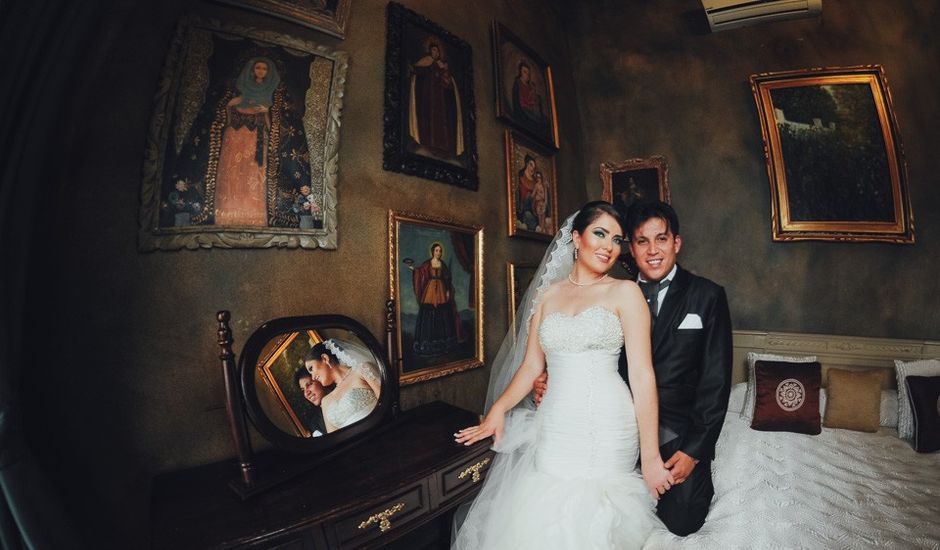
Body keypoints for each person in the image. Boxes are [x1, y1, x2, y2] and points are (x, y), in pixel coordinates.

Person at [452, 201, 673, 549]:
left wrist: (651, 457)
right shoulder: (548, 297)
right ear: (576, 237)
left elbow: (643, 376)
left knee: (600, 521)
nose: (608, 246)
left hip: (609, 424)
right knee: (547, 518)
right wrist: (497, 410)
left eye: (617, 240)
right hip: (555, 424)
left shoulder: (625, 292)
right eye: (600, 234)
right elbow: (531, 367)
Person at [536, 200, 733, 536]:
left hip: (676, 433)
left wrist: (693, 452)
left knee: (682, 522)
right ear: (632, 248)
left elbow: (715, 382)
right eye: (642, 241)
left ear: (676, 243)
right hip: (615, 423)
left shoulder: (707, 296)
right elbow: (583, 346)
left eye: (661, 239)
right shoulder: (610, 291)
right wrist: (550, 377)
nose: (653, 250)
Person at [214, 57, 279, 227]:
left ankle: (253, 215)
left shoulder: (268, 94)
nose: (260, 71)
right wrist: (233, 105)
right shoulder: (243, 89)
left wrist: (267, 112)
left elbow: (269, 124)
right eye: (258, 67)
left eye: (264, 69)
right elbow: (228, 115)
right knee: (232, 173)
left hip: (255, 138)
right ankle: (228, 216)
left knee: (253, 174)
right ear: (252, 70)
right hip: (235, 137)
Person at [304, 339, 382, 432]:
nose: (313, 377)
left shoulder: (362, 370)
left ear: (325, 358)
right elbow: (335, 439)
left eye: (311, 368)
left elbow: (387, 403)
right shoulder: (325, 402)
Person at [408, 39, 464, 159]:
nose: (436, 52)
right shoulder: (426, 62)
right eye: (433, 50)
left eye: (437, 50)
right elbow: (418, 70)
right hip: (428, 97)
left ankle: (442, 148)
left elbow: (448, 83)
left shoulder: (442, 65)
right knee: (428, 120)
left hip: (440, 100)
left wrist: (446, 74)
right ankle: (429, 145)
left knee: (441, 122)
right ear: (430, 51)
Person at [407, 242, 464, 355]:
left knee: (442, 315)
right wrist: (413, 269)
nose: (438, 253)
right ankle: (427, 344)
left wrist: (447, 290)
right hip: (430, 291)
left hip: (442, 291)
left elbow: (447, 278)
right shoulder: (427, 264)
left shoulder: (443, 264)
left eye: (440, 251)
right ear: (433, 251)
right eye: (437, 250)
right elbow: (420, 272)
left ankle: (443, 344)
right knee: (428, 314)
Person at [294, 368, 328, 437]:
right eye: (303, 389)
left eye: (309, 384)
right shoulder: (314, 423)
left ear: (320, 380)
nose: (306, 393)